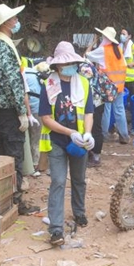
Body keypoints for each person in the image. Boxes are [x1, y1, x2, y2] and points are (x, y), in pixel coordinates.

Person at [0, 3, 40, 215]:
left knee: (1, 155)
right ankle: (14, 202)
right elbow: (12, 81)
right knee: (14, 156)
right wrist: (22, 111)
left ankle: (2, 201)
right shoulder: (3, 48)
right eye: (14, 18)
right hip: (7, 109)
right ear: (5, 23)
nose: (16, 21)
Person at [38, 42, 95, 246]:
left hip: (79, 142)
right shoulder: (49, 85)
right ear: (58, 66)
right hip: (57, 141)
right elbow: (45, 118)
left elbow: (89, 112)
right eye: (66, 63)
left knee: (79, 179)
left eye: (72, 62)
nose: (70, 66)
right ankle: (56, 229)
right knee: (59, 181)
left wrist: (87, 133)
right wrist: (70, 132)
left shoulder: (84, 83)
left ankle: (79, 213)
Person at [86, 26, 130, 144]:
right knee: (119, 110)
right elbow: (124, 65)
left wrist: (92, 42)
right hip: (119, 86)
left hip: (107, 86)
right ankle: (124, 135)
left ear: (104, 37)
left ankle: (104, 134)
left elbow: (87, 55)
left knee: (106, 110)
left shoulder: (103, 50)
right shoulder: (118, 49)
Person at [77, 59, 106, 167]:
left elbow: (85, 85)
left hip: (95, 101)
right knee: (89, 127)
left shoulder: (84, 68)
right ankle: (90, 152)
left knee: (95, 128)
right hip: (92, 100)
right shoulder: (86, 64)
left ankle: (96, 156)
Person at [24, 60, 44, 176]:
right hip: (39, 108)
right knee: (36, 139)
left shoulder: (21, 74)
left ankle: (31, 165)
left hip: (28, 110)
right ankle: (36, 165)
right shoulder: (36, 73)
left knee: (27, 139)